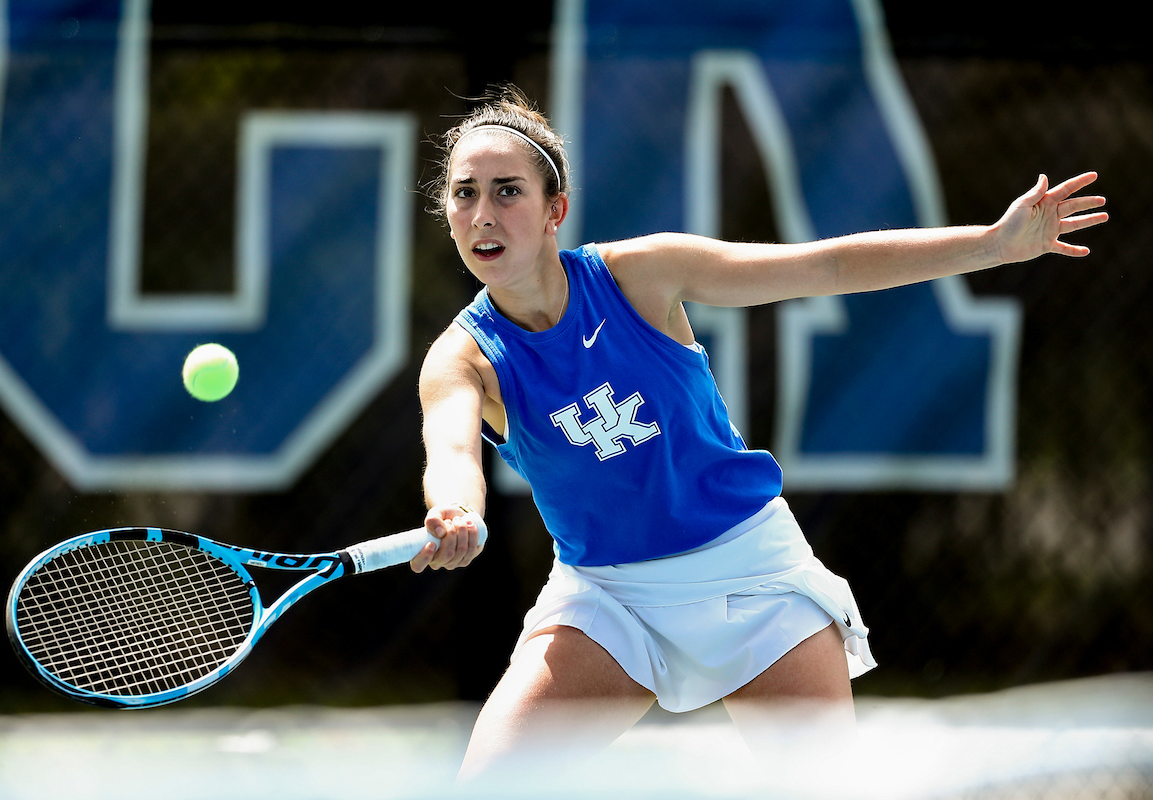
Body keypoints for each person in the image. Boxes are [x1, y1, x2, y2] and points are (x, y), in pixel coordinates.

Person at [408, 87, 1107, 780]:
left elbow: (827, 265)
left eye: (507, 192)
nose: (483, 214)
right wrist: (455, 510)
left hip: (752, 573)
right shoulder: (462, 357)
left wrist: (993, 245)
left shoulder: (641, 276)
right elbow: (452, 451)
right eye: (465, 194)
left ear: (555, 210)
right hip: (607, 595)